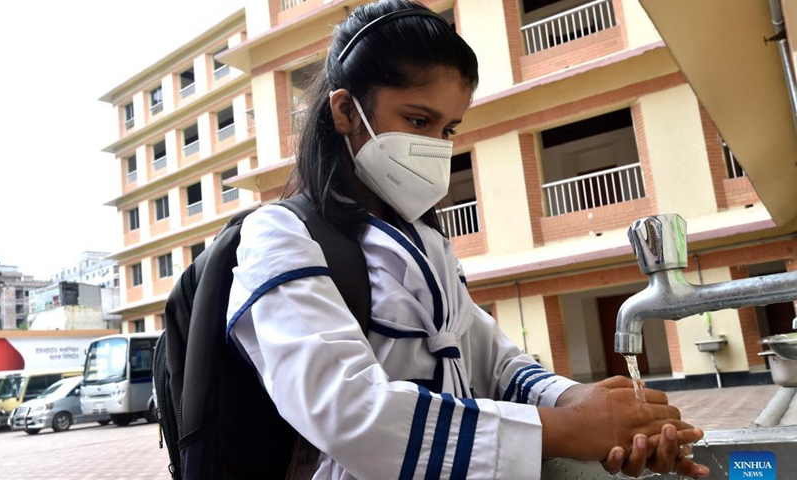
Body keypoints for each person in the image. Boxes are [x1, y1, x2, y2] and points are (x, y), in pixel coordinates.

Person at [226, 1, 710, 478]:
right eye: (418, 121)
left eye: (448, 128)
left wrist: (583, 403)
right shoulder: (280, 235)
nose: (436, 146)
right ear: (346, 111)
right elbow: (349, 410)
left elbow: (492, 361)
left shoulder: (426, 244)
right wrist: (566, 429)